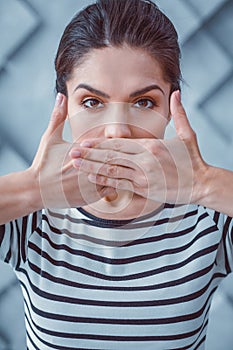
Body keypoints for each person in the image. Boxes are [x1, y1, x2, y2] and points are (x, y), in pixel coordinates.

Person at [0, 0, 233, 349]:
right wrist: (35, 188)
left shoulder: (210, 218)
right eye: (92, 102)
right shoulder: (29, 216)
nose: (117, 132)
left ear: (172, 108)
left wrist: (201, 184)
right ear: (64, 107)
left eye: (144, 103)